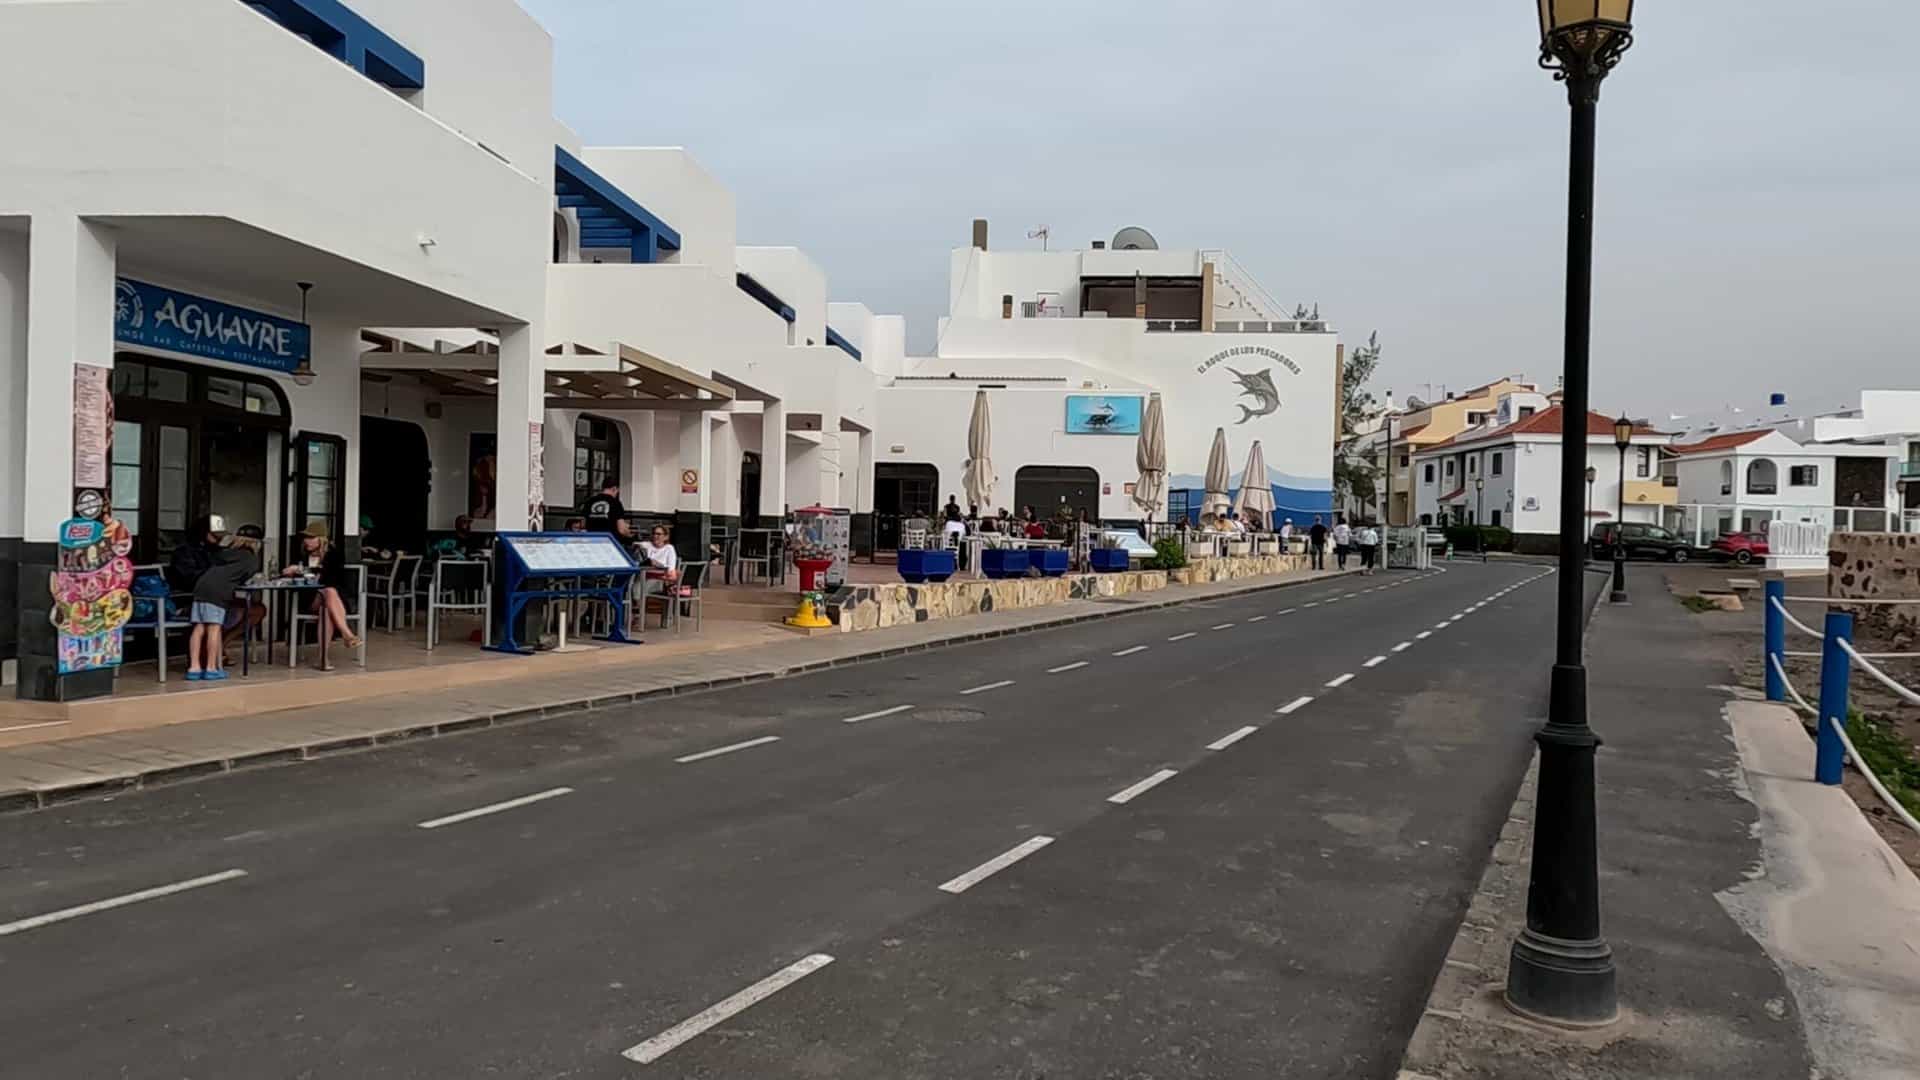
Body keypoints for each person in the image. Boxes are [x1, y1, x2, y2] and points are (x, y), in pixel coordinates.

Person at [285, 520, 361, 671]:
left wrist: (310, 571)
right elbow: (288, 573)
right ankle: (346, 633)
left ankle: (323, 659)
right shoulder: (300, 552)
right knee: (329, 592)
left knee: (327, 607)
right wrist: (294, 570)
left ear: (321, 539)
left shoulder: (333, 554)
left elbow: (332, 579)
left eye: (311, 537)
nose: (307, 541)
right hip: (310, 597)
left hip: (334, 600)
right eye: (306, 537)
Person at [187, 529, 258, 682]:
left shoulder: (224, 553)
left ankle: (194, 668)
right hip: (218, 591)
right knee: (214, 628)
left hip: (201, 587)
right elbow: (246, 577)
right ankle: (211, 668)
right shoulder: (250, 559)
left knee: (198, 627)